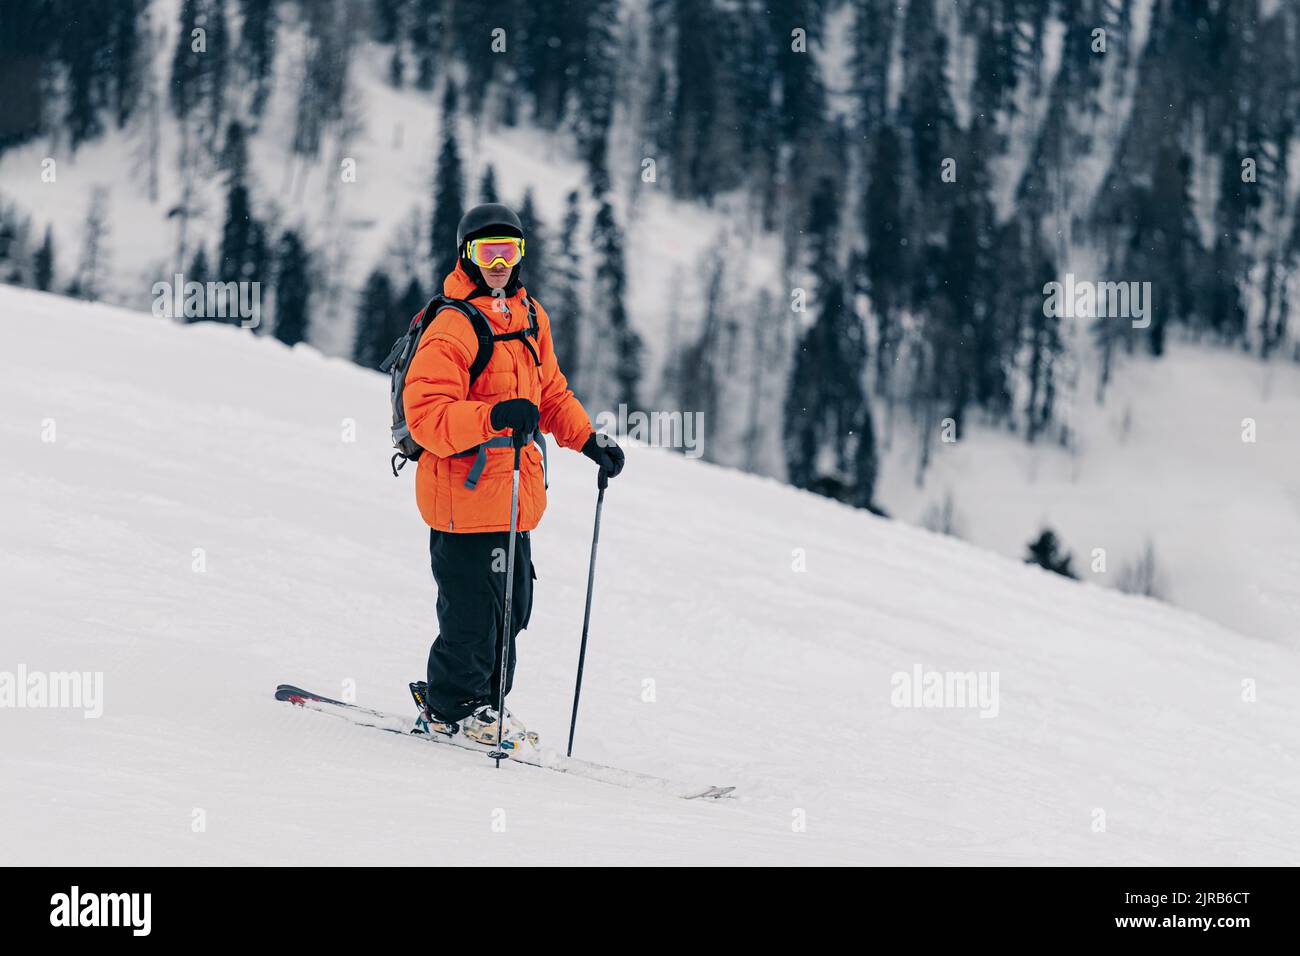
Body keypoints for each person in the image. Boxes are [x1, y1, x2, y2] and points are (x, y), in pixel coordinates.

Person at [403, 203, 625, 747]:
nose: (499, 263)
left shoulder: (530, 318)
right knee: (472, 616)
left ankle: (481, 705)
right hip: (463, 501)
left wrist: (586, 439)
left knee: (513, 607)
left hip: (514, 500)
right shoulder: (453, 326)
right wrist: (493, 416)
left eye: (510, 251)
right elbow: (427, 417)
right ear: (467, 255)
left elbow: (549, 392)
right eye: (487, 251)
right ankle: (451, 708)